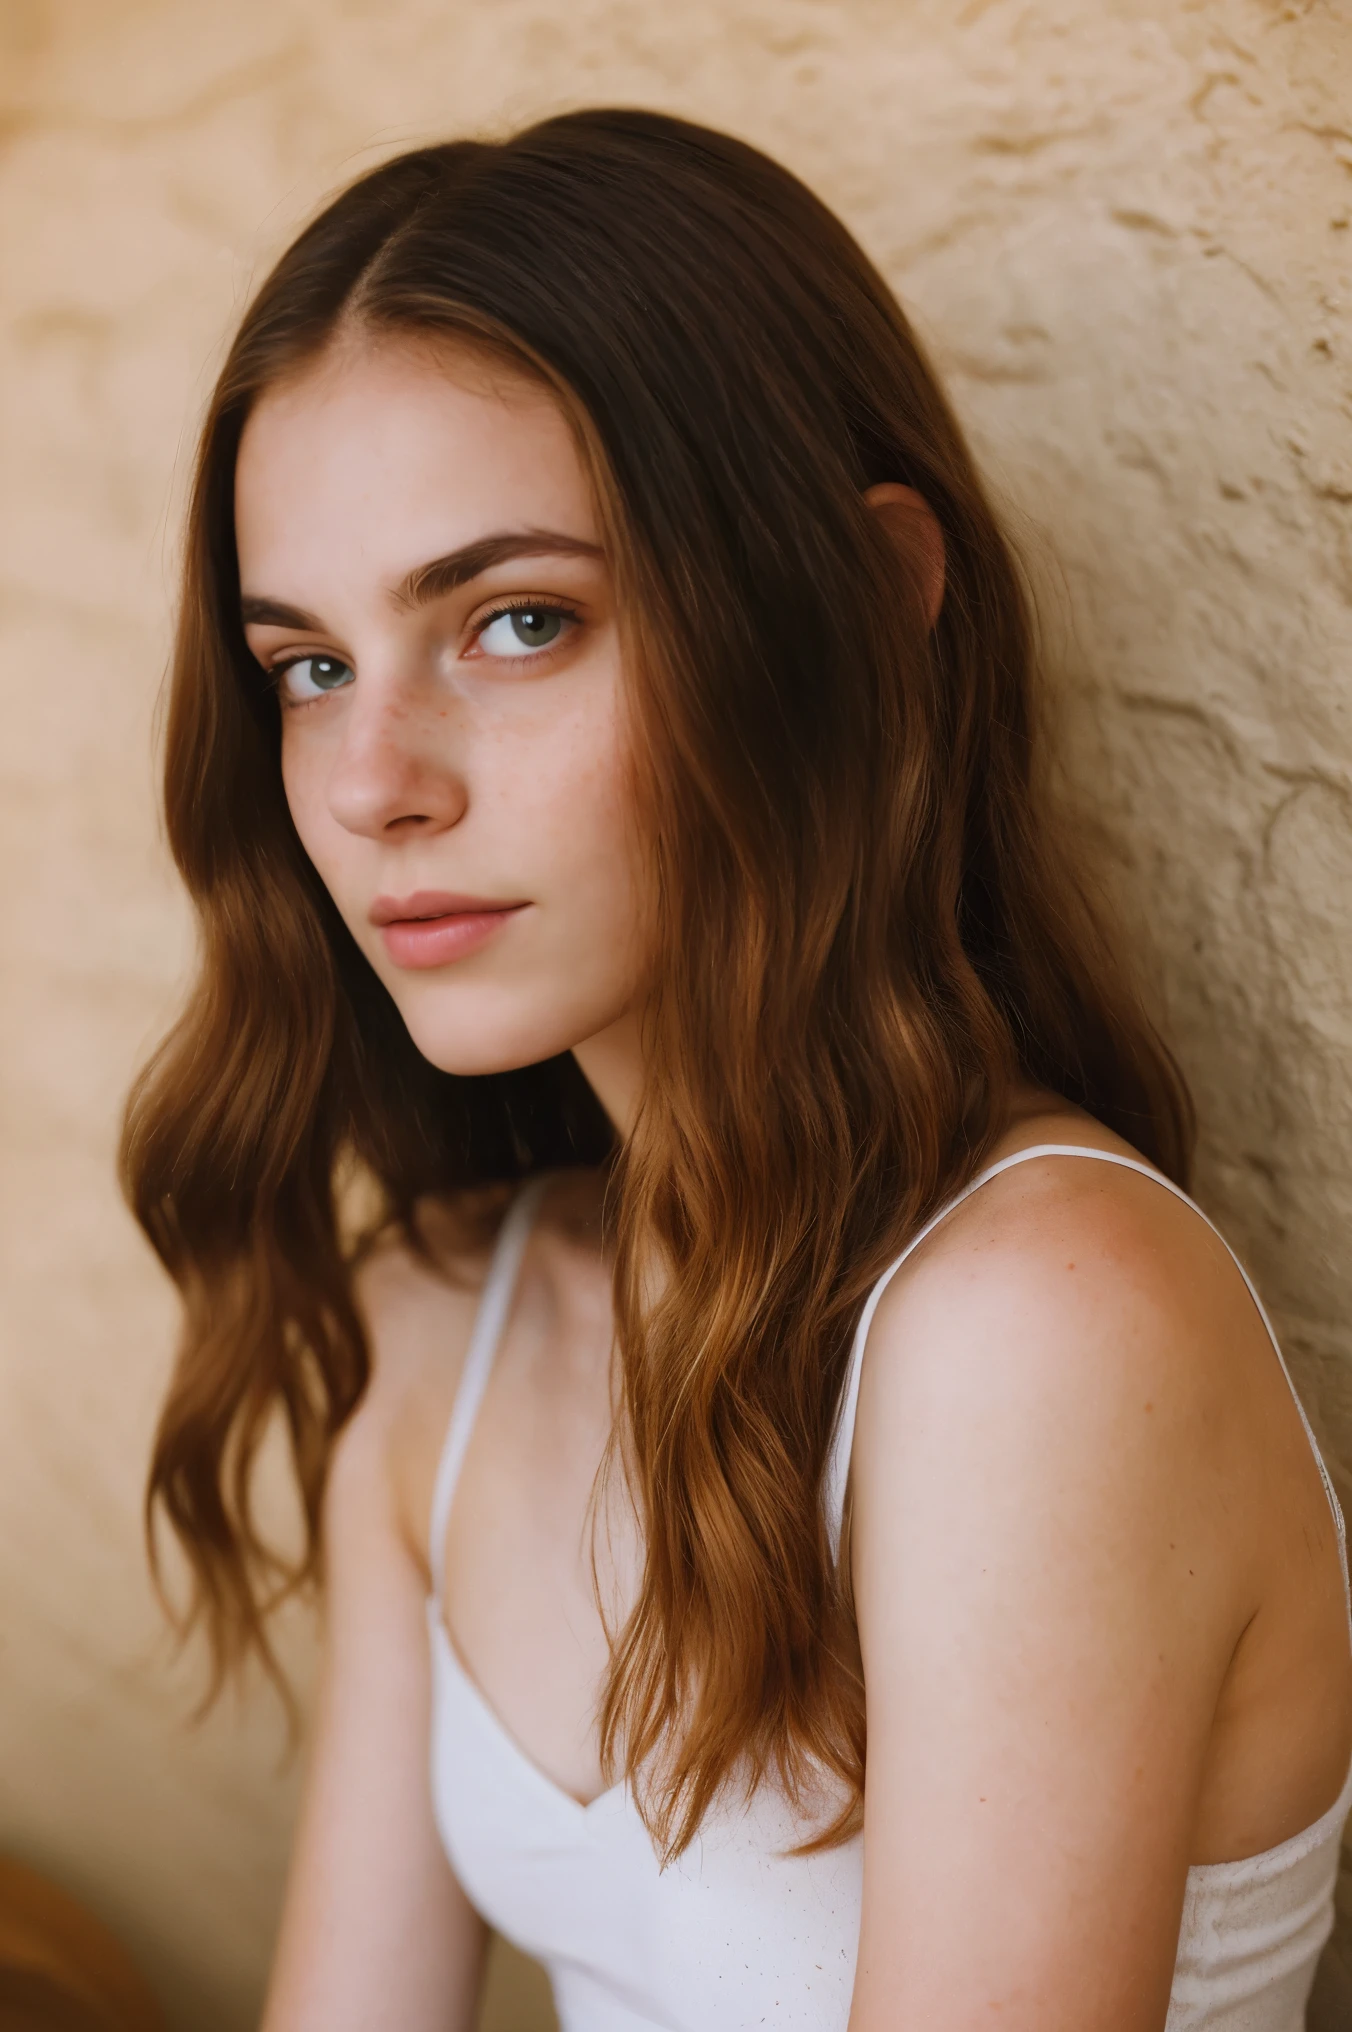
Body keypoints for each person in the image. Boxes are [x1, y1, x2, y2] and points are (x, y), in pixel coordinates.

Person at [121, 108, 1352, 2032]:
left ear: (861, 605)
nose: (372, 787)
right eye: (310, 666)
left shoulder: (1043, 1332)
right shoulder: (441, 1330)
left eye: (517, 621)